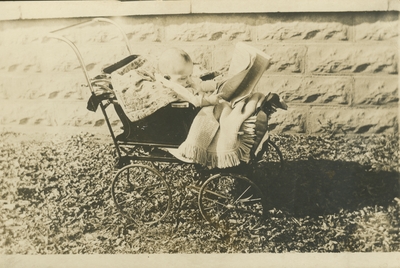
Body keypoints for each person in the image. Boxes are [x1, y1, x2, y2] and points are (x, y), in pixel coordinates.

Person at [157, 47, 223, 108]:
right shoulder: (174, 90)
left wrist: (217, 84)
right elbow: (192, 101)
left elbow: (200, 84)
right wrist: (209, 100)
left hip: (209, 95)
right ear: (167, 78)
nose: (189, 81)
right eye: (183, 78)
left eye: (190, 75)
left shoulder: (187, 79)